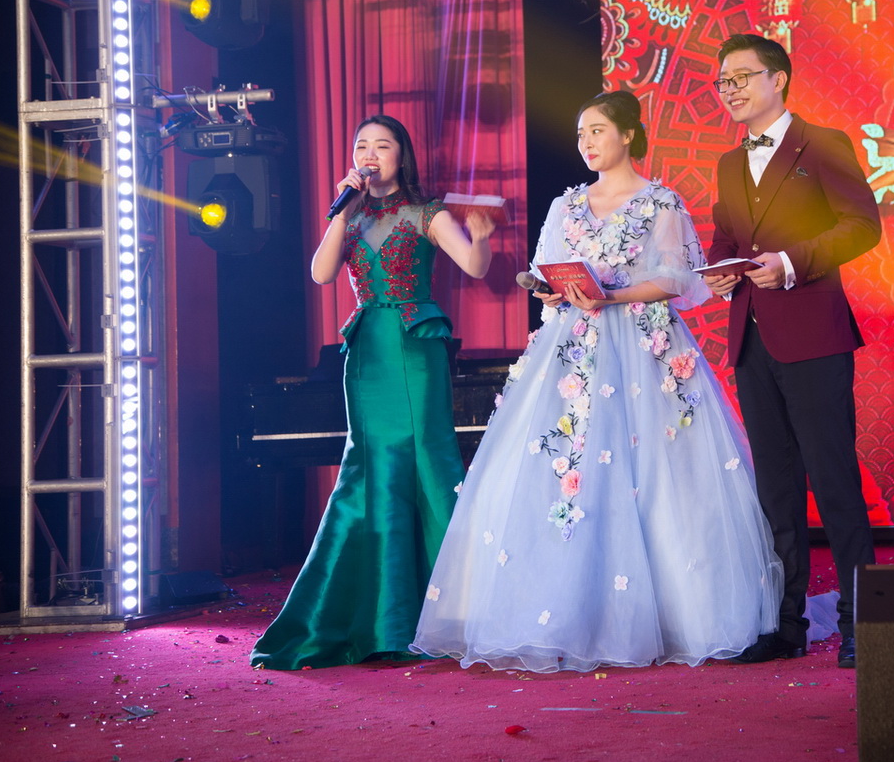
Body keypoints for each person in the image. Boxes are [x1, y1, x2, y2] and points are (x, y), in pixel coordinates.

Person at [411, 90, 783, 673]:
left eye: (598, 130)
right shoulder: (566, 204)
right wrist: (546, 288)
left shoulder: (660, 202)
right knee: (568, 468)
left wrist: (610, 295)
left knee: (657, 472)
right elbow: (544, 274)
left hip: (641, 345)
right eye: (581, 133)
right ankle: (566, 613)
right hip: (573, 348)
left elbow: (674, 280)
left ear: (628, 134)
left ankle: (673, 615)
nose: (586, 142)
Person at [252, 114, 495, 670]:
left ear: (401, 156)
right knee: (372, 467)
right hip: (366, 352)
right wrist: (342, 209)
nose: (370, 153)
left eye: (382, 145)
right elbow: (321, 274)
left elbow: (474, 266)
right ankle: (380, 617)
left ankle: (463, 609)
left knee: (426, 460)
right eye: (362, 145)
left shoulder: (427, 212)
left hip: (415, 344)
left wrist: (480, 238)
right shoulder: (351, 214)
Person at [702, 33, 881, 669]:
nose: (731, 90)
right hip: (751, 338)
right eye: (724, 82)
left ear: (778, 79)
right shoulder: (729, 163)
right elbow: (728, 236)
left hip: (814, 334)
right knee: (776, 489)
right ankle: (786, 623)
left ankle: (864, 623)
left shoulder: (822, 143)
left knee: (833, 481)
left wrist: (791, 262)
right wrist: (720, 269)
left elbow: (863, 225)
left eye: (742, 77)